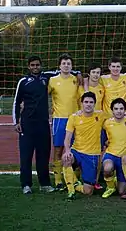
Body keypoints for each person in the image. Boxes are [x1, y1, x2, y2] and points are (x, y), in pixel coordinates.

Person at [13, 56, 56, 194]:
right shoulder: (23, 81)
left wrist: (77, 73)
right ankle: (26, 184)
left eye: (37, 65)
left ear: (41, 65)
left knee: (43, 155)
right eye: (32, 65)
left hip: (43, 123)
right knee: (26, 155)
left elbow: (63, 70)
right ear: (28, 66)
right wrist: (16, 122)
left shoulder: (46, 78)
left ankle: (44, 183)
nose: (35, 67)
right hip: (27, 124)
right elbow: (16, 102)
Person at [62, 92, 110, 200]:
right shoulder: (74, 117)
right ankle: (71, 191)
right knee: (65, 158)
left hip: (92, 155)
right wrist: (67, 151)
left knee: (88, 191)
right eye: (86, 102)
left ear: (94, 104)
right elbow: (67, 139)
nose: (88, 104)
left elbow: (118, 115)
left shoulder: (101, 115)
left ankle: (75, 185)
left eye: (91, 102)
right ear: (82, 103)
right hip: (76, 151)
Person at [48, 53, 80, 191]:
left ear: (72, 66)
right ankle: (58, 179)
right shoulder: (53, 80)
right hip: (59, 119)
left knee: (75, 148)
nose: (66, 66)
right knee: (58, 148)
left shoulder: (76, 80)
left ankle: (74, 177)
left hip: (75, 118)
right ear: (59, 66)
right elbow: (43, 95)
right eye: (64, 63)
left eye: (69, 63)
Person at [101, 98, 126, 198]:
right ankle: (110, 187)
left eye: (121, 108)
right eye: (116, 109)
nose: (119, 111)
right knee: (108, 168)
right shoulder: (107, 123)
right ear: (112, 110)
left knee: (121, 191)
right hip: (111, 155)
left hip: (125, 159)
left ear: (125, 110)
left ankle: (116, 180)